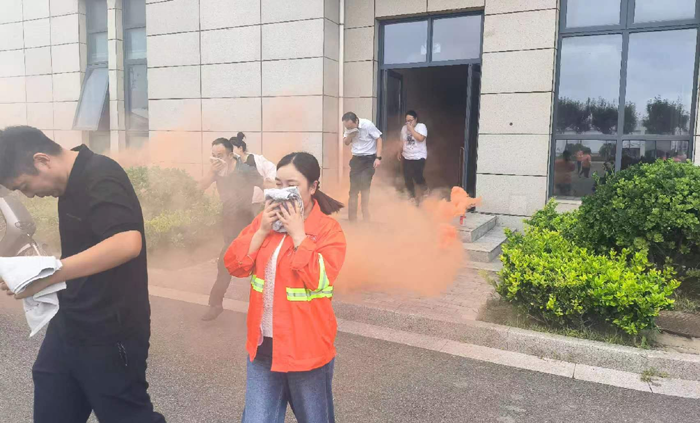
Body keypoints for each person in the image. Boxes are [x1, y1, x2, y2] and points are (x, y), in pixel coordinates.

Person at [0, 126, 166, 423]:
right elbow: (85, 250)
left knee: (126, 416)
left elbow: (127, 243)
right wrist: (33, 274)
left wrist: (48, 275)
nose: (30, 195)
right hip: (69, 322)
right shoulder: (69, 184)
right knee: (52, 402)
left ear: (42, 160)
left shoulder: (100, 174)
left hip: (111, 331)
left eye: (25, 185)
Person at [224, 152, 346, 423]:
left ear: (313, 187)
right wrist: (261, 231)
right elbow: (234, 265)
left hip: (307, 351)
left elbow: (320, 280)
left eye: (292, 185)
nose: (282, 192)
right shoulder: (264, 222)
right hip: (263, 349)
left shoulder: (328, 230)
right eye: (278, 184)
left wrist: (299, 235)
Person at [199, 138, 263, 321]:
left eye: (219, 155)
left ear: (229, 155)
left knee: (233, 262)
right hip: (227, 223)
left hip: (245, 224)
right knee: (227, 264)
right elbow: (200, 186)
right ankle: (217, 305)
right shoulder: (218, 171)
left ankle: (217, 304)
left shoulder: (245, 170)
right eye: (213, 155)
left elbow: (265, 184)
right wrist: (212, 171)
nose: (216, 158)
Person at [342, 112, 383, 222]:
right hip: (356, 159)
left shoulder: (367, 125)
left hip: (369, 159)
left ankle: (365, 214)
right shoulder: (348, 128)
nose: (348, 128)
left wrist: (378, 158)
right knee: (353, 190)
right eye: (347, 127)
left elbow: (379, 139)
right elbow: (346, 142)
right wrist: (351, 134)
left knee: (364, 186)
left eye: (350, 126)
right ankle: (352, 218)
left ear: (356, 121)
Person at [231, 132, 277, 216]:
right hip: (242, 203)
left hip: (258, 201)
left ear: (240, 148)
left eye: (232, 149)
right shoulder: (234, 164)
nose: (231, 153)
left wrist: (268, 182)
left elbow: (272, 170)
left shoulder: (257, 160)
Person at [398, 110, 428, 201]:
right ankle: (411, 197)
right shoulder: (404, 128)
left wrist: (411, 129)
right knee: (407, 177)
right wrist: (399, 152)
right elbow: (402, 141)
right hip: (407, 156)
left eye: (410, 120)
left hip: (419, 156)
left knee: (417, 176)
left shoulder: (421, 126)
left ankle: (425, 191)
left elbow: (420, 138)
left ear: (415, 119)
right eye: (407, 121)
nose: (408, 123)